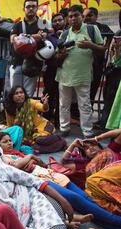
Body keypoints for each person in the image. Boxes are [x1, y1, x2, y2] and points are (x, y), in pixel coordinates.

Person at [0, 131, 121, 229]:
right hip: (41, 180)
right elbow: (14, 170)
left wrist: (97, 138)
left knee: (87, 201)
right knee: (78, 199)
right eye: (5, 141)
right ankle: (118, 222)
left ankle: (116, 228)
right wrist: (31, 158)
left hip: (54, 175)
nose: (9, 143)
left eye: (10, 140)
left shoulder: (19, 152)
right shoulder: (2, 159)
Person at [55, 4, 105, 138]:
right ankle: (64, 129)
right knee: (63, 105)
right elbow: (57, 55)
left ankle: (87, 132)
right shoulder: (65, 33)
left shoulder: (91, 29)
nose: (73, 19)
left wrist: (90, 45)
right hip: (65, 75)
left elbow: (102, 48)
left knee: (85, 105)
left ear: (82, 16)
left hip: (83, 75)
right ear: (67, 19)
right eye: (70, 16)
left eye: (76, 15)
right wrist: (62, 54)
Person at [4, 86, 67, 153]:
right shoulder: (9, 109)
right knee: (34, 147)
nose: (19, 95)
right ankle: (61, 144)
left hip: (43, 126)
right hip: (31, 134)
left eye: (21, 92)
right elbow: (10, 127)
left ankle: (58, 138)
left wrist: (45, 104)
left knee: (40, 140)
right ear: (12, 97)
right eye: (16, 93)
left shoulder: (30, 102)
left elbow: (43, 108)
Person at [9, 0, 49, 98]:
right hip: (17, 62)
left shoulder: (42, 22)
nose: (30, 9)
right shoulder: (18, 24)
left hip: (33, 64)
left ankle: (27, 113)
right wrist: (33, 37)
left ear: (37, 8)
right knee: (15, 93)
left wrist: (23, 37)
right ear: (24, 9)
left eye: (33, 6)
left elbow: (43, 36)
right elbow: (12, 39)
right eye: (28, 7)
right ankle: (15, 113)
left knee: (28, 94)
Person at [83, 7, 114, 105]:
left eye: (90, 15)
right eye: (84, 16)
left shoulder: (103, 28)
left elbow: (111, 36)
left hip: (98, 62)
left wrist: (105, 47)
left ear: (96, 16)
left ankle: (90, 106)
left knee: (94, 86)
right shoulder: (81, 27)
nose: (87, 18)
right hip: (83, 63)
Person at [43, 13, 66, 128]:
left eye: (60, 20)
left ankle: (59, 123)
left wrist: (62, 37)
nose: (58, 22)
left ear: (64, 21)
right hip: (51, 70)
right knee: (49, 95)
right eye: (55, 21)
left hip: (66, 70)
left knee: (63, 98)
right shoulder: (48, 37)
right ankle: (46, 121)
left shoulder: (69, 35)